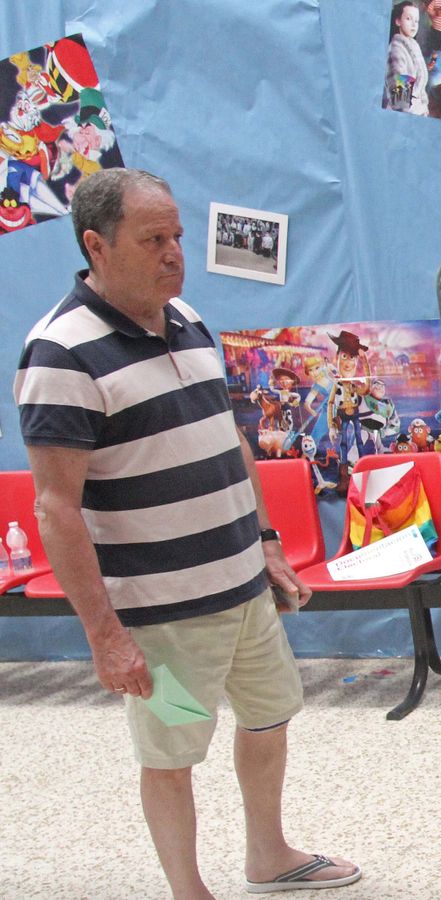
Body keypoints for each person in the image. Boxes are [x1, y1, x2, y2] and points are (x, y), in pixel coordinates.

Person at [13, 168, 360, 896]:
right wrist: (105, 634)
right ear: (95, 246)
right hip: (163, 622)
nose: (176, 253)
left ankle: (268, 854)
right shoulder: (60, 354)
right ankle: (187, 889)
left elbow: (229, 440)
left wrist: (265, 540)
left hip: (244, 598)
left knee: (269, 718)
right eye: (153, 239)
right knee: (173, 750)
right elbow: (56, 508)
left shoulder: (189, 320)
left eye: (176, 235)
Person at [384, 1, 430, 115]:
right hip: (402, 116)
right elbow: (400, 102)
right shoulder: (397, 49)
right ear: (398, 21)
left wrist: (424, 108)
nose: (414, 25)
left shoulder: (414, 47)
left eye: (416, 21)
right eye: (409, 19)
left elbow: (421, 90)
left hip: (418, 112)